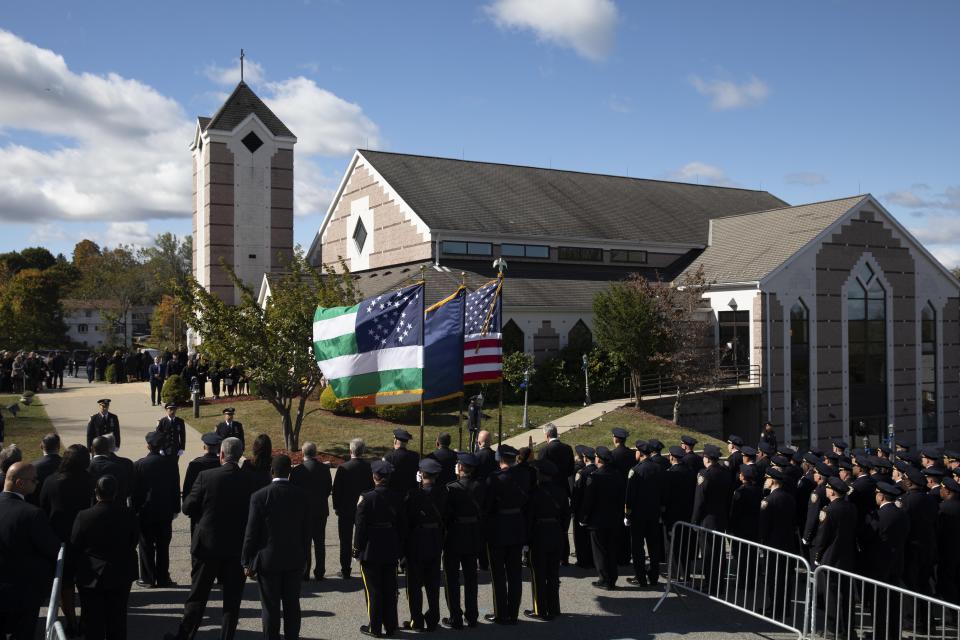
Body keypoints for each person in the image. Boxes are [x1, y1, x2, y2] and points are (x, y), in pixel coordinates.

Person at [165, 437, 259, 640]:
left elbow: (188, 507)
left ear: (222, 455)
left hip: (208, 546)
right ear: (239, 455)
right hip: (237, 547)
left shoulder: (206, 477)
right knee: (232, 601)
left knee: (197, 596)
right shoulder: (250, 480)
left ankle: (185, 636)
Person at [242, 455, 309, 640]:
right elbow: (306, 531)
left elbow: (251, 533)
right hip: (294, 559)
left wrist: (246, 560)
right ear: (290, 472)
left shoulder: (259, 496)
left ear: (271, 471)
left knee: (270, 607)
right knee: (292, 605)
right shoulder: (301, 495)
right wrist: (305, 559)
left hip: (268, 560)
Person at [71, 475, 139, 640]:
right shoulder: (128, 514)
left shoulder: (84, 516)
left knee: (93, 619)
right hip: (121, 571)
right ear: (115, 493)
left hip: (92, 573)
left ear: (96, 493)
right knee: (118, 617)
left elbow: (75, 543)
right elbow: (134, 539)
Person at [0, 462, 61, 640]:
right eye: (34, 480)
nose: (37, 483)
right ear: (20, 483)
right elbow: (52, 548)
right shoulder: (32, 514)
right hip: (22, 593)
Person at [39, 444, 95, 636]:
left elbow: (43, 508)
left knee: (65, 585)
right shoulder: (89, 480)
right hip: (85, 539)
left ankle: (71, 621)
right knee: (86, 583)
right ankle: (87, 622)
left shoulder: (51, 481)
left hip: (61, 539)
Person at [354, 460, 405, 638]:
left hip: (371, 549)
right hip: (390, 547)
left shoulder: (366, 498)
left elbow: (360, 527)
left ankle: (374, 627)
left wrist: (356, 549)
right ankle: (391, 626)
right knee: (390, 589)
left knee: (373, 590)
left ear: (374, 477)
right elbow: (401, 524)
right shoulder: (397, 496)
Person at [483, 443, 528, 624]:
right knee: (515, 574)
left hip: (498, 529)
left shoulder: (495, 478)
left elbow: (487, 506)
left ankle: (501, 613)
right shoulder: (524, 475)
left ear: (500, 459)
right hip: (517, 526)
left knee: (499, 575)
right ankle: (513, 613)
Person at [861, 482, 910, 640]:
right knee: (894, 602)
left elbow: (868, 537)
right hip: (897, 562)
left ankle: (880, 634)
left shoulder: (879, 515)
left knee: (879, 603)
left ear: (881, 496)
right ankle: (894, 634)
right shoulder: (902, 513)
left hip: (878, 564)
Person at [441, 452, 485, 629]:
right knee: (470, 578)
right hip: (473, 535)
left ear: (460, 468)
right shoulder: (480, 486)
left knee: (452, 578)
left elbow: (445, 514)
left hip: (454, 536)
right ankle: (472, 616)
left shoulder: (451, 488)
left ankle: (455, 617)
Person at [812, 476, 858, 638]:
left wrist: (817, 556)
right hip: (847, 557)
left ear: (831, 491)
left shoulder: (828, 510)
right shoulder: (851, 508)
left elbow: (822, 538)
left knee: (831, 596)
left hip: (830, 559)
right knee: (846, 595)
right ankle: (848, 628)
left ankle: (833, 629)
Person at [402, 458, 445, 632]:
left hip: (417, 542)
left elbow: (406, 520)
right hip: (435, 540)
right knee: (433, 585)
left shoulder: (413, 495)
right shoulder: (443, 493)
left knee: (414, 586)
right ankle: (433, 619)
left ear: (421, 474)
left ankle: (417, 620)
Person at [133, 431, 181, 588]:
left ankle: (147, 578)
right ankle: (163, 577)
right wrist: (176, 508)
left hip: (145, 511)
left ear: (148, 446)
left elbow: (136, 491)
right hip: (164, 511)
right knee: (163, 546)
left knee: (146, 545)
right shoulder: (171, 463)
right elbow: (175, 488)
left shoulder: (139, 464)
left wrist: (134, 509)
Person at [524, 459, 567, 620]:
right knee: (553, 574)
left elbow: (529, 517)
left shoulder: (534, 492)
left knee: (539, 575)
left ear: (540, 474)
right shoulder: (561, 491)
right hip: (556, 533)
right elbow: (566, 516)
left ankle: (540, 609)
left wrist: (526, 540)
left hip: (539, 534)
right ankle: (554, 607)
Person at [580, 446, 625, 591]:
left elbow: (588, 501)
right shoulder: (617, 475)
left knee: (599, 551)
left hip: (597, 521)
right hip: (614, 519)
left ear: (598, 459)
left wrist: (584, 517)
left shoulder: (594, 477)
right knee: (611, 550)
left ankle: (604, 579)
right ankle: (612, 577)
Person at [290, 442, 332, 581]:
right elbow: (328, 490)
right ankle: (320, 572)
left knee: (305, 543)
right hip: (320, 510)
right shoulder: (324, 469)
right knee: (320, 542)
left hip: (303, 512)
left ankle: (305, 572)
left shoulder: (296, 471)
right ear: (315, 453)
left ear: (303, 453)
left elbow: (293, 493)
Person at [332, 438, 373, 579]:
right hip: (364, 508)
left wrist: (336, 506)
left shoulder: (343, 468)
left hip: (345, 509)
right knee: (365, 538)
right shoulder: (369, 467)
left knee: (345, 540)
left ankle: (345, 569)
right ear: (363, 451)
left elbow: (336, 490)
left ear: (350, 451)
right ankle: (366, 566)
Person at [625, 441, 664, 587]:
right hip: (653, 514)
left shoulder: (635, 470)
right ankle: (654, 576)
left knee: (637, 548)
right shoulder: (658, 468)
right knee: (654, 547)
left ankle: (640, 577)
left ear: (640, 453)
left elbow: (630, 496)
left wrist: (627, 515)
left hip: (638, 516)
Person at [537, 424, 575, 565]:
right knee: (563, 524)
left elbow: (539, 470)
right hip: (563, 490)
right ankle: (563, 556)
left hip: (548, 491)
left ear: (547, 435)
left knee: (549, 524)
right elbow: (571, 470)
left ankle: (549, 554)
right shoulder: (567, 449)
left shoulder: (544, 450)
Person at [89, 437, 134, 506]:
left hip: (91, 511)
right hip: (117, 509)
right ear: (108, 450)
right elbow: (128, 491)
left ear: (92, 449)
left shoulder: (86, 467)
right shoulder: (120, 467)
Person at [571, 445, 596, 568]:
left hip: (581, 509)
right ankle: (592, 559)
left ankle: (582, 560)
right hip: (595, 509)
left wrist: (573, 509)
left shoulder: (581, 473)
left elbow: (576, 493)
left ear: (585, 458)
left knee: (580, 537)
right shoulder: (597, 471)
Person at [936, 477, 960, 605]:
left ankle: (954, 612)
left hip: (947, 551)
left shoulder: (942, 508)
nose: (940, 491)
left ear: (948, 491)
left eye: (942, 489)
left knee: (947, 581)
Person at [383, 428, 419, 497]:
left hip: (393, 493)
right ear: (406, 442)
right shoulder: (415, 456)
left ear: (395, 440)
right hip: (410, 493)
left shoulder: (388, 457)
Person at [29, 432, 62, 504]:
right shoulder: (66, 464)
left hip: (38, 505)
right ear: (59, 446)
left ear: (41, 446)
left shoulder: (32, 467)